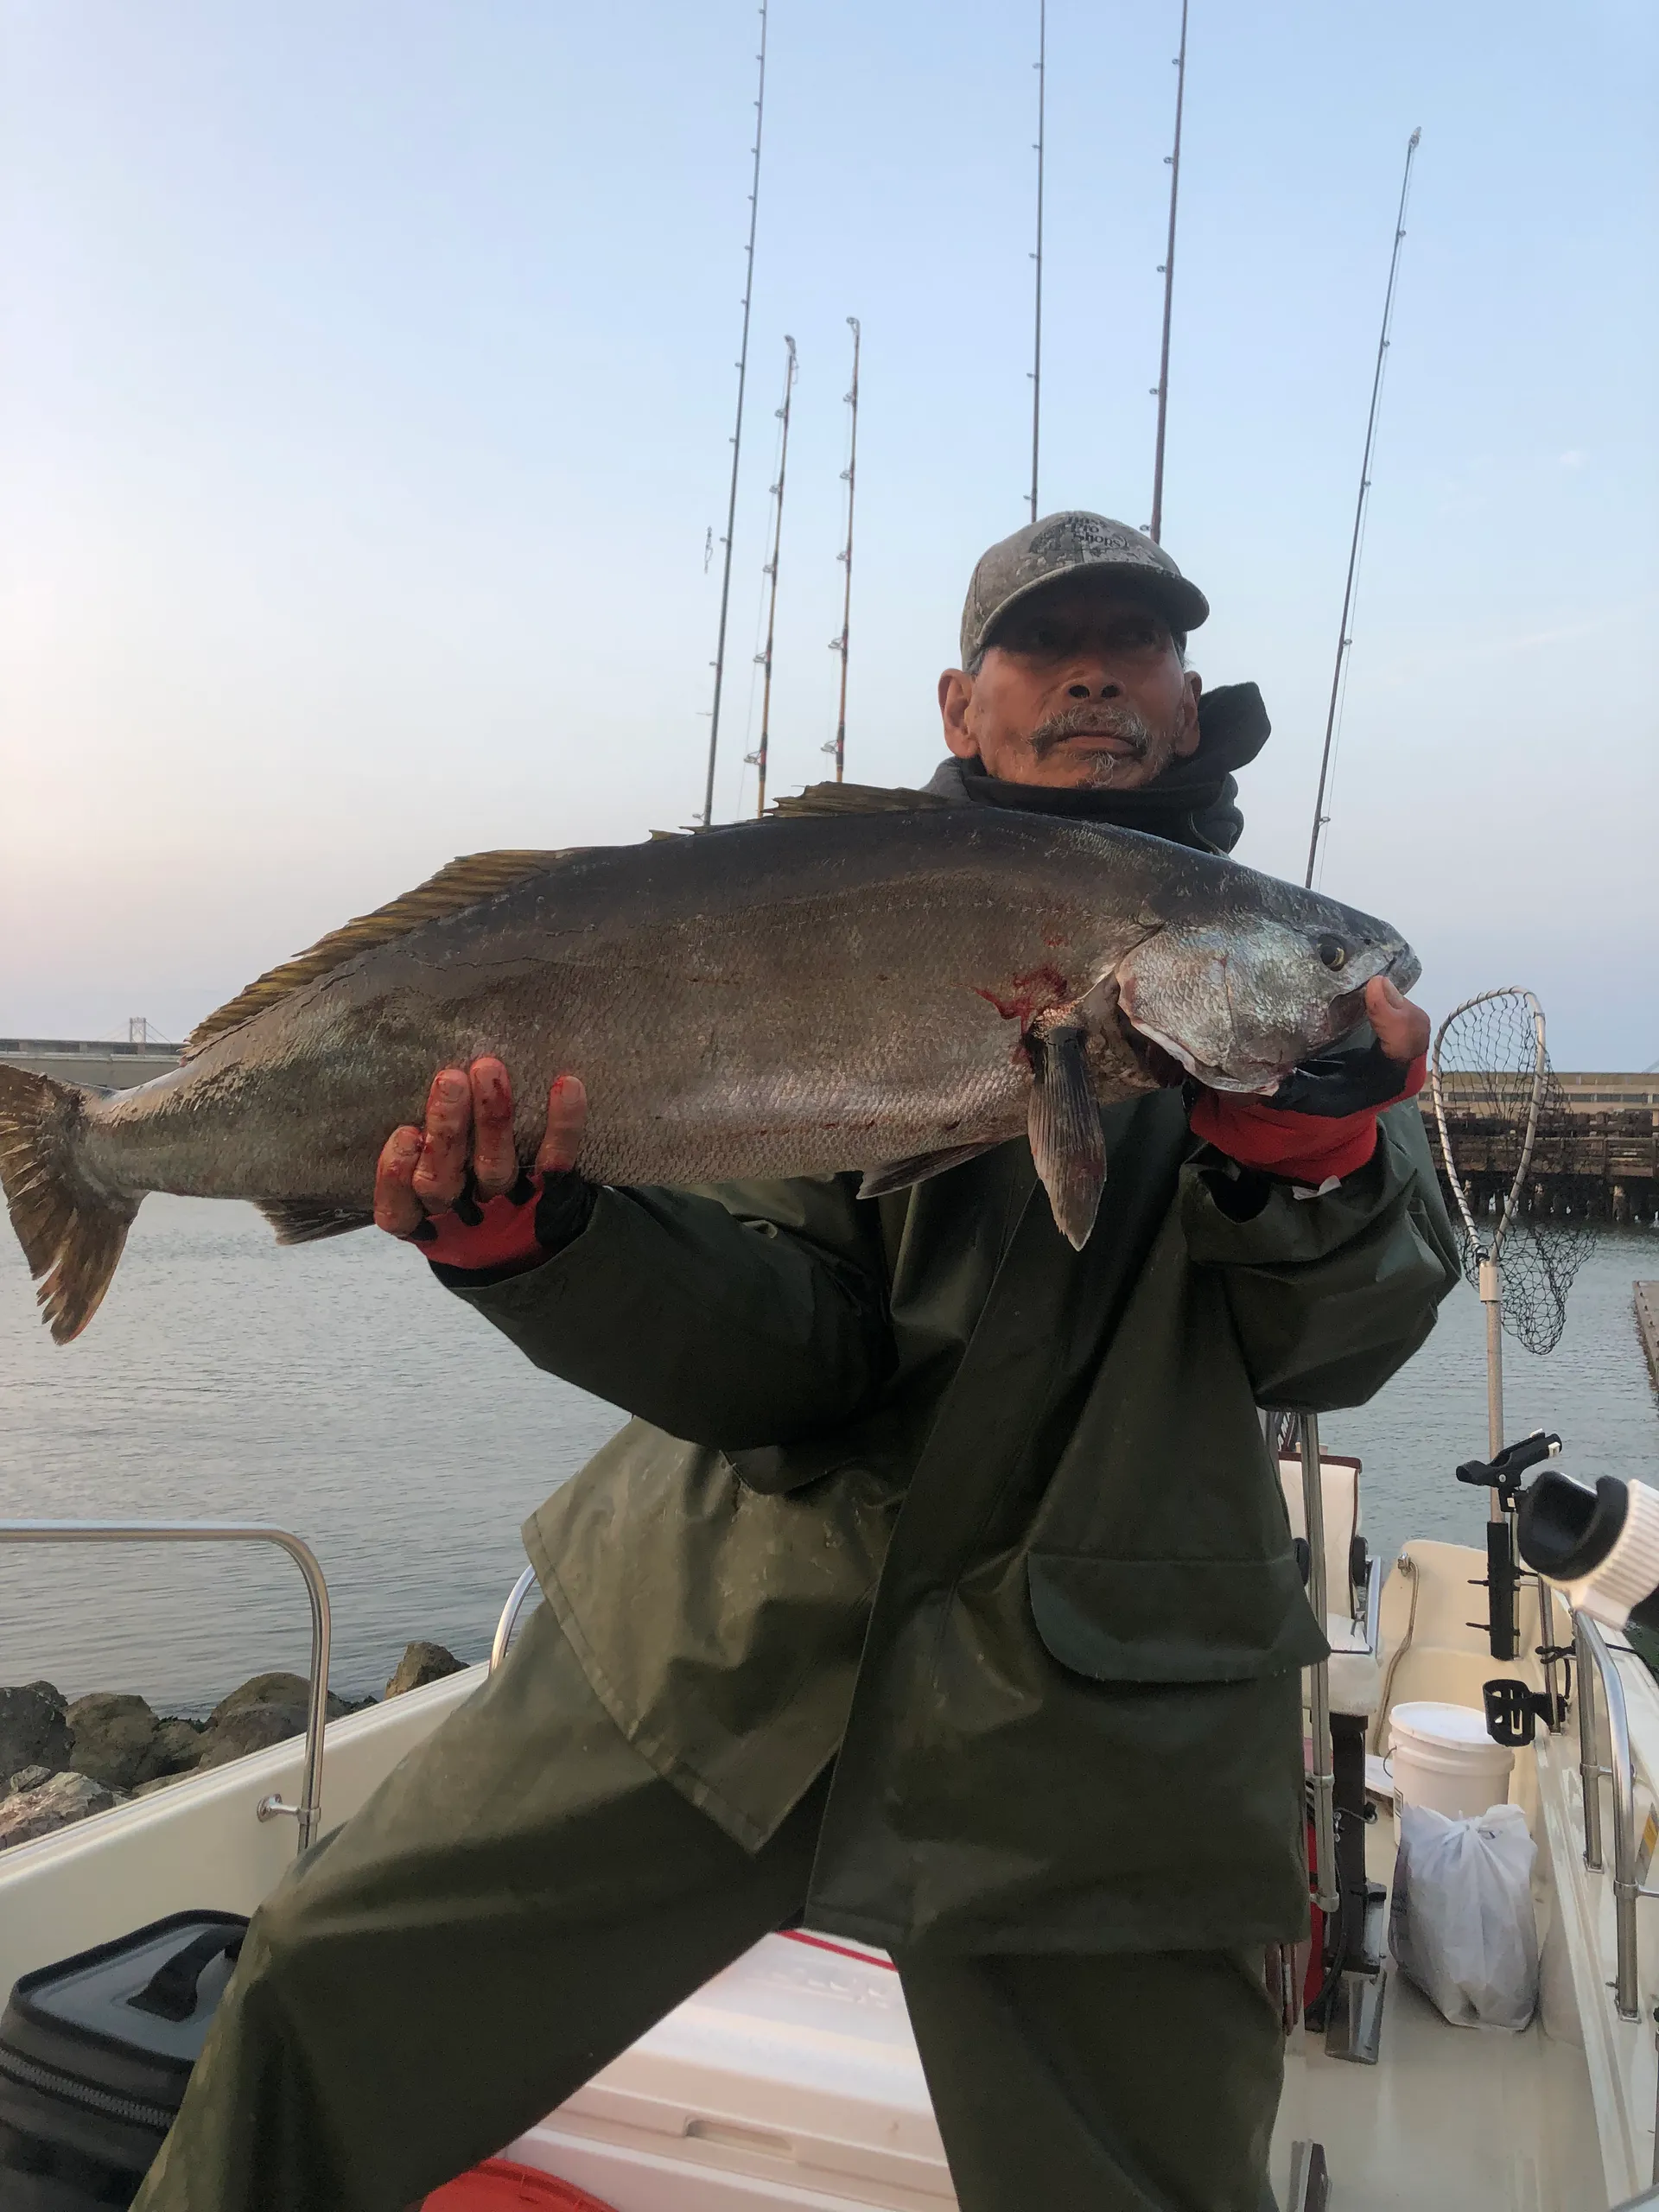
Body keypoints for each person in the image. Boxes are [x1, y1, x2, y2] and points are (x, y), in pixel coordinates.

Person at [134, 513, 1458, 2212]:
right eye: (1047, 647)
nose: (1094, 675)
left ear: (1191, 708)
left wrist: (1317, 1158)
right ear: (960, 701)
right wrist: (540, 1246)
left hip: (1101, 1722)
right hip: (718, 1633)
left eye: (1139, 648)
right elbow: (784, 1357)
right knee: (319, 1990)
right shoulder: (816, 920)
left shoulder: (1308, 1017)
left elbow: (1350, 1340)